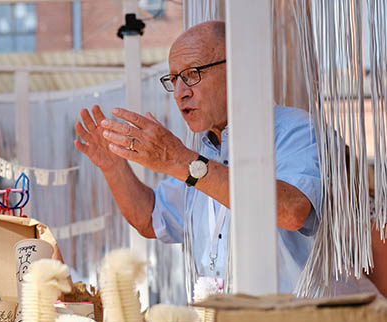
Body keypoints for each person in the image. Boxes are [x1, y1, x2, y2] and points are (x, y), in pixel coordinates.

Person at [75, 20, 322, 295]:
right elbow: (150, 218)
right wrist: (114, 168)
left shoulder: (296, 130)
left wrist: (181, 161)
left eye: (192, 74)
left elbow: (292, 211)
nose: (181, 92)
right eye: (173, 79)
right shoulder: (207, 152)